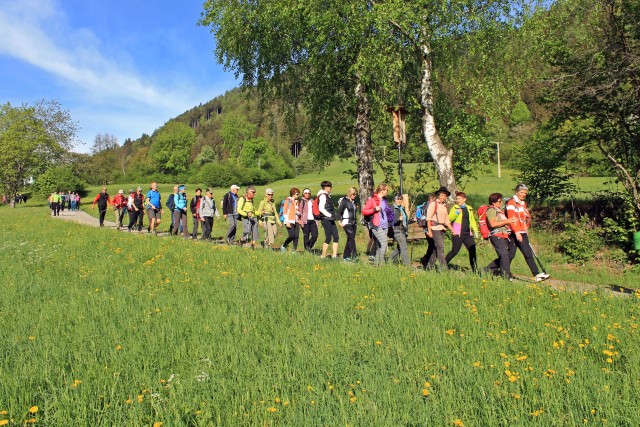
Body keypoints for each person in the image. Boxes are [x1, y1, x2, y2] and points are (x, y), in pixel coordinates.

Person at [506, 184, 550, 281]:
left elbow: (524, 218)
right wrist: (517, 232)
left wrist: (525, 230)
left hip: (522, 231)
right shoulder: (511, 203)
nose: (523, 194)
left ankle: (495, 270)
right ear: (516, 192)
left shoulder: (522, 203)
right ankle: (536, 274)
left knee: (515, 254)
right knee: (521, 254)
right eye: (521, 192)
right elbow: (511, 219)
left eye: (525, 193)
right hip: (515, 232)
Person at [484, 193, 517, 279]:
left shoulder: (499, 211)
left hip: (504, 235)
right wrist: (507, 221)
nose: (501, 202)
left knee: (507, 255)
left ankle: (486, 270)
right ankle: (506, 276)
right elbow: (493, 224)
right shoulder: (491, 210)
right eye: (499, 201)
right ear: (493, 202)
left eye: (501, 201)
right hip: (496, 235)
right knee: (504, 255)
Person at [445, 191, 478, 272]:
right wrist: (457, 212)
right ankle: (443, 264)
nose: (457, 200)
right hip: (458, 233)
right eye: (457, 199)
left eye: (459, 199)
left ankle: (475, 270)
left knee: (472, 250)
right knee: (455, 251)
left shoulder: (469, 208)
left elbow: (472, 220)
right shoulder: (455, 207)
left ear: (464, 199)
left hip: (468, 234)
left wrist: (476, 231)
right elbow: (449, 218)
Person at [422, 186, 454, 270]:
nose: (444, 197)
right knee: (440, 247)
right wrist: (429, 231)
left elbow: (447, 220)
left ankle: (429, 267)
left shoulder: (444, 206)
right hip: (434, 228)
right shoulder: (433, 204)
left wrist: (452, 230)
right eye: (442, 195)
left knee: (435, 250)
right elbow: (428, 219)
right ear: (438, 196)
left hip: (442, 229)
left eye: (445, 195)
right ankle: (445, 269)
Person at [362, 183, 390, 266]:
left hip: (385, 225)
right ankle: (382, 263)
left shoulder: (384, 201)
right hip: (376, 225)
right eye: (386, 190)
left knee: (379, 245)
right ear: (382, 190)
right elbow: (364, 211)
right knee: (384, 242)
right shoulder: (372, 200)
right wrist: (374, 209)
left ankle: (376, 264)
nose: (387, 192)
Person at [317, 181, 339, 259]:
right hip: (326, 219)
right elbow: (321, 208)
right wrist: (329, 215)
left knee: (336, 236)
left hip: (331, 219)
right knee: (328, 237)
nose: (331, 188)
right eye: (329, 187)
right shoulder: (323, 196)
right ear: (326, 187)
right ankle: (323, 255)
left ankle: (334, 255)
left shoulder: (327, 196)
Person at [338, 187, 358, 262]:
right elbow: (339, 212)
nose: (354, 196)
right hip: (346, 222)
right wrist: (339, 221)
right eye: (353, 194)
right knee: (351, 236)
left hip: (353, 222)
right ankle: (354, 255)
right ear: (350, 193)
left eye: (355, 194)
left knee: (350, 238)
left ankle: (346, 256)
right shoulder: (344, 201)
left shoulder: (354, 202)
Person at [390, 194, 410, 266]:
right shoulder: (392, 208)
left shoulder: (401, 208)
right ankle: (407, 265)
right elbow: (390, 221)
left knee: (399, 248)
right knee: (404, 247)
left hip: (403, 230)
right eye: (397, 199)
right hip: (396, 230)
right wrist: (398, 219)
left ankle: (390, 260)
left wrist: (411, 220)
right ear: (394, 200)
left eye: (401, 199)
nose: (399, 200)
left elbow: (404, 221)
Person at [281, 188, 301, 252]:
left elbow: (297, 211)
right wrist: (287, 221)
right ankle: (284, 245)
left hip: (296, 221)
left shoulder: (296, 202)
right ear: (293, 194)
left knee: (296, 236)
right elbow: (285, 211)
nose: (298, 195)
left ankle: (294, 250)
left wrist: (298, 213)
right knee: (292, 235)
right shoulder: (288, 201)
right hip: (289, 220)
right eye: (297, 194)